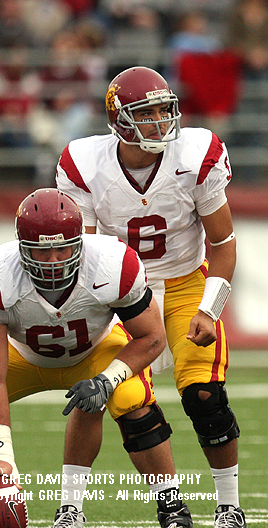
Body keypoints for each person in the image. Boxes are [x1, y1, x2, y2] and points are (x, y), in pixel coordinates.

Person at [0, 188, 194, 528]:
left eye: (62, 247)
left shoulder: (113, 264)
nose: (54, 259)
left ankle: (170, 506)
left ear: (81, 242)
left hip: (94, 350)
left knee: (133, 400)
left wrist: (106, 379)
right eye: (42, 251)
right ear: (22, 248)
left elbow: (153, 337)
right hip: (20, 355)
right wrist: (3, 458)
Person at [56, 66, 246, 528]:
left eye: (166, 109)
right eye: (149, 112)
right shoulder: (85, 163)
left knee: (205, 396)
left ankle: (229, 507)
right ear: (119, 121)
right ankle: (72, 509)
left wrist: (210, 306)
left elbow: (222, 243)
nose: (162, 121)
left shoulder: (196, 153)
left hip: (185, 283)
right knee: (102, 396)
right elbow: (81, 250)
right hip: (121, 293)